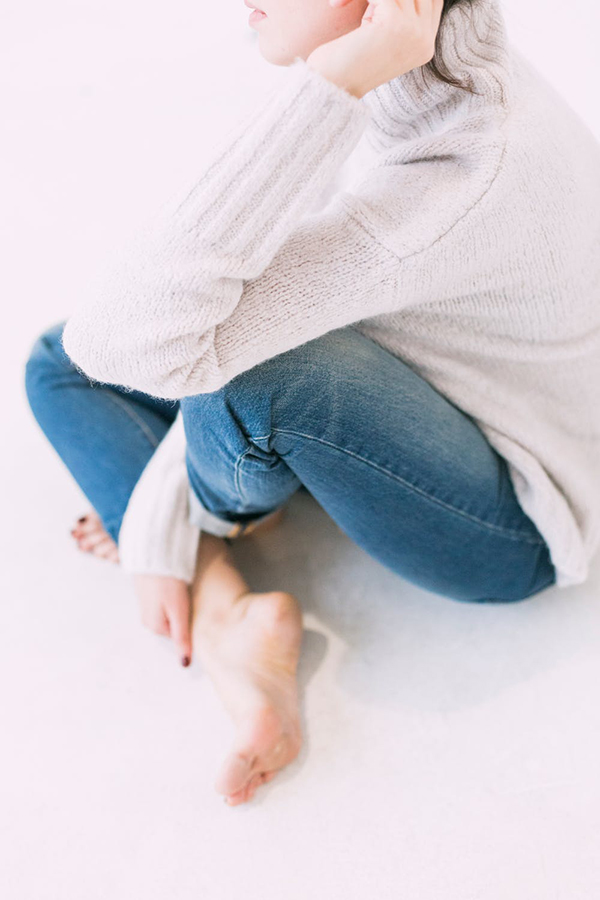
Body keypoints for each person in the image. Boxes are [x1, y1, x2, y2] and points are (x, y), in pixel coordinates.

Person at [24, 0, 600, 806]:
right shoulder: (412, 80)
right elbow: (113, 341)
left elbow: (143, 339)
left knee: (243, 376)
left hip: (510, 521)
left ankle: (224, 551)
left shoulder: (449, 172)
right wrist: (336, 80)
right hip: (407, 386)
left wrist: (160, 523)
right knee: (61, 363)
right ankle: (225, 614)